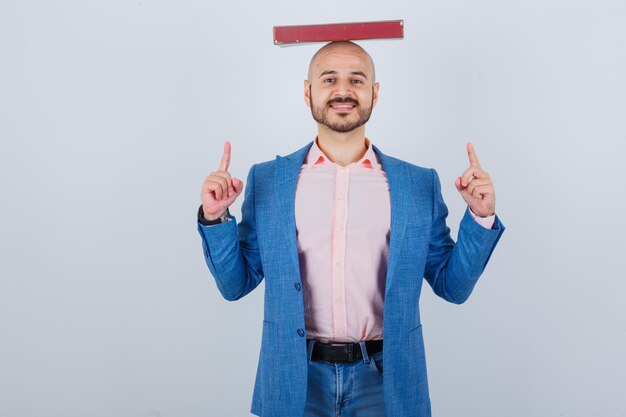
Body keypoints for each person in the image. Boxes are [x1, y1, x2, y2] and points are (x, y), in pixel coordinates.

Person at [196, 41, 505, 417]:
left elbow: (451, 286)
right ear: (308, 92)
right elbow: (235, 285)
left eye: (356, 80)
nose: (343, 90)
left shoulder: (416, 185)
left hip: (385, 383)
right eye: (329, 79)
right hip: (295, 381)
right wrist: (215, 217)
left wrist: (480, 217)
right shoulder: (269, 181)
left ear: (374, 94)